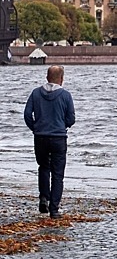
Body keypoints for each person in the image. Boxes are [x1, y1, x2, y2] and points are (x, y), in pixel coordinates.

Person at [24, 65, 75, 219]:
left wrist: (35, 128)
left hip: (40, 137)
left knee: (44, 167)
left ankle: (43, 198)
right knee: (58, 174)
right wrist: (62, 126)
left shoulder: (35, 93)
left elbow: (27, 114)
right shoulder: (65, 95)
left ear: (47, 77)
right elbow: (71, 118)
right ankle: (54, 209)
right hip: (59, 137)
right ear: (61, 79)